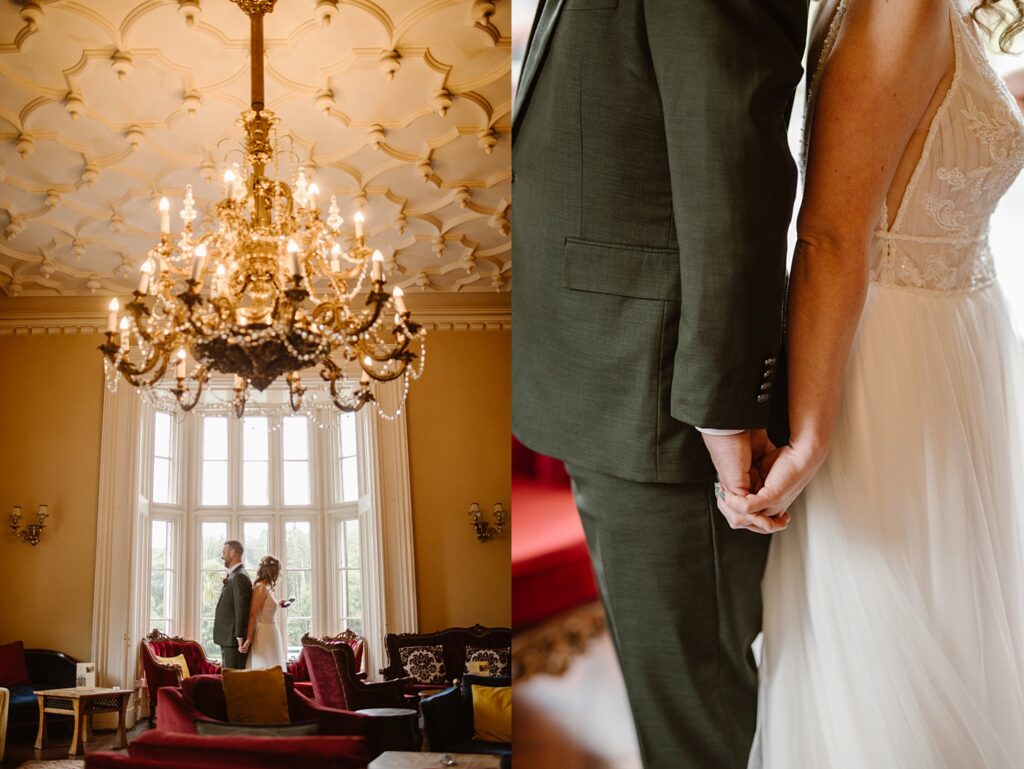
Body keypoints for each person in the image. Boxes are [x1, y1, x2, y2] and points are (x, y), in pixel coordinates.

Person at [718, 1, 1024, 765]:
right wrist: (814, 431)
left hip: (955, 349)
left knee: (958, 629)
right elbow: (828, 233)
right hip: (893, 362)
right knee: (898, 651)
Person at [511, 1, 808, 767]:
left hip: (668, 404)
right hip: (604, 381)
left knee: (694, 725)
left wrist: (722, 409)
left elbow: (730, 162)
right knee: (672, 702)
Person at [240, 555, 292, 671]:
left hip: (271, 632)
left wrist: (277, 603)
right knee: (263, 669)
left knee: (272, 669)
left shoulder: (266, 587)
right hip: (263, 632)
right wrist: (248, 639)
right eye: (277, 571)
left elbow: (263, 607)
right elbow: (253, 614)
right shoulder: (260, 587)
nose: (278, 574)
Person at [213, 540, 252, 670]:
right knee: (229, 680)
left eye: (224, 552)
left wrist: (240, 637)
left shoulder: (240, 576)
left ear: (232, 552)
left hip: (233, 641)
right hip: (228, 639)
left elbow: (242, 610)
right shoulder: (234, 574)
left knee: (234, 682)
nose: (222, 556)